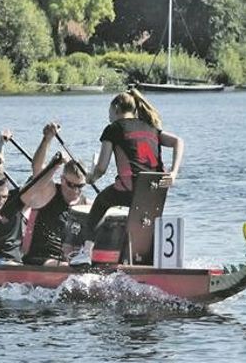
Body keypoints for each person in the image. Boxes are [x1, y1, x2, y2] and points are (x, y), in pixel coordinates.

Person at [73, 88, 184, 263]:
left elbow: (101, 168)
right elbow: (179, 141)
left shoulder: (113, 129)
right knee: (143, 220)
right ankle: (146, 260)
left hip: (131, 188)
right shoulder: (151, 128)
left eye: (109, 111)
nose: (108, 116)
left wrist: (91, 178)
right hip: (155, 191)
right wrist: (174, 172)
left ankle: (85, 254)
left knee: (102, 201)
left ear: (116, 108)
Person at [18, 123, 89, 266]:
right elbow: (37, 168)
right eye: (71, 185)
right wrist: (47, 139)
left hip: (68, 261)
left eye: (80, 186)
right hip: (39, 257)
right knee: (68, 267)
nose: (75, 191)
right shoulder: (49, 191)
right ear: (62, 180)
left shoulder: (85, 203)